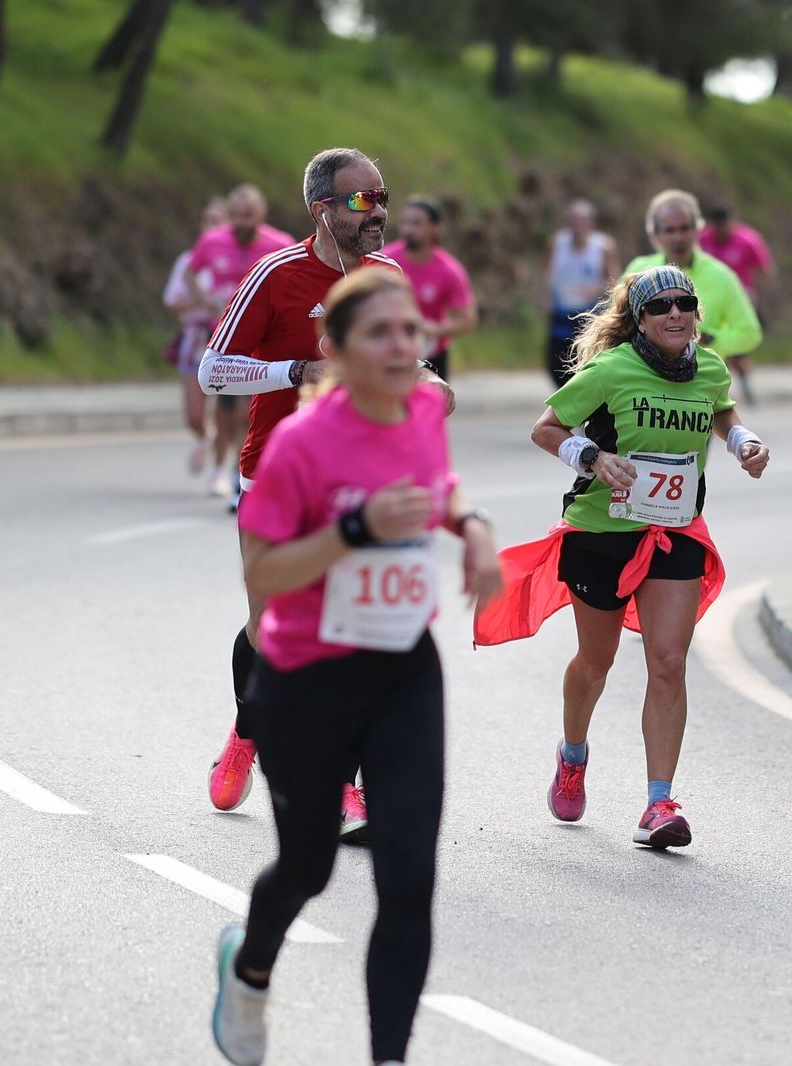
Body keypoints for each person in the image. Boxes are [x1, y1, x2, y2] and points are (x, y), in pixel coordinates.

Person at [210, 267, 502, 1066]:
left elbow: (435, 485)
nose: (404, 346)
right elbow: (264, 574)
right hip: (308, 680)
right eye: (381, 333)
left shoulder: (419, 414)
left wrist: (471, 525)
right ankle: (251, 966)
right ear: (334, 350)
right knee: (306, 865)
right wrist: (355, 530)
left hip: (404, 668)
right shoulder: (301, 445)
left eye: (412, 331)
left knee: (409, 880)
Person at [470, 265, 770, 849]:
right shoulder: (610, 370)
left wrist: (743, 443)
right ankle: (574, 753)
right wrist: (592, 460)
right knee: (596, 662)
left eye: (685, 303)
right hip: (601, 533)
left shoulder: (709, 367)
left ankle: (658, 802)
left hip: (674, 533)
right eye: (661, 308)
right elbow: (546, 427)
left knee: (667, 662)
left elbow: (722, 410)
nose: (676, 314)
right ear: (639, 319)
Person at [197, 147, 448, 838]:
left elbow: (404, 358)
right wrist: (295, 370)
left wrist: (427, 382)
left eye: (384, 196)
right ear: (323, 210)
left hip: (363, 481)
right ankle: (248, 731)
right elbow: (212, 371)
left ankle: (344, 784)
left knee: (347, 630)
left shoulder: (388, 274)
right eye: (363, 201)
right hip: (273, 474)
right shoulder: (277, 274)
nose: (380, 213)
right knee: (272, 626)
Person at [189, 185, 297, 506]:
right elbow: (190, 272)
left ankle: (242, 477)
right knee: (227, 413)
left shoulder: (279, 244)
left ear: (261, 215)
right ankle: (224, 469)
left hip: (264, 345)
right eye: (236, 214)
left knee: (251, 413)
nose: (241, 221)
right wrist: (204, 300)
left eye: (248, 215)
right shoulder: (212, 241)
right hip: (224, 343)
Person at [623, 189, 762, 390]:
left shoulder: (722, 276)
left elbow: (750, 333)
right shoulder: (638, 270)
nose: (678, 237)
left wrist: (711, 340)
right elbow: (615, 323)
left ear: (698, 229)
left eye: (685, 228)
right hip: (643, 383)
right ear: (655, 235)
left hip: (699, 384)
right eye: (669, 230)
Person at [163, 197, 229, 479]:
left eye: (217, 220)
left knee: (229, 409)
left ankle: (222, 471)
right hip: (195, 339)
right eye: (207, 220)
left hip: (226, 340)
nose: (210, 226)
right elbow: (173, 301)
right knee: (193, 415)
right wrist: (203, 302)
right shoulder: (188, 261)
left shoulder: (235, 258)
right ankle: (208, 437)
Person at [382, 196, 477, 381]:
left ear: (436, 228)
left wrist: (434, 330)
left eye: (417, 223)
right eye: (405, 222)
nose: (408, 229)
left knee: (432, 408)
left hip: (432, 355)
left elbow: (468, 320)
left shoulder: (449, 271)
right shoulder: (385, 261)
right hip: (390, 352)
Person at [699, 204, 773, 405]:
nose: (722, 230)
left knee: (738, 352)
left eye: (725, 225)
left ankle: (745, 384)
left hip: (739, 301)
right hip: (710, 301)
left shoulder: (747, 241)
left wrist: (751, 293)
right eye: (718, 226)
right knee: (710, 345)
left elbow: (763, 269)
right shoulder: (702, 240)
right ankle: (714, 387)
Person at [543, 199, 619, 387]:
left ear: (591, 223)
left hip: (589, 313)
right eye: (573, 222)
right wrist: (547, 299)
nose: (577, 227)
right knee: (556, 363)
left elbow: (614, 280)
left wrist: (596, 289)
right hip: (562, 312)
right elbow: (548, 273)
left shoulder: (603, 246)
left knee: (585, 360)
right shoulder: (557, 243)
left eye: (581, 222)